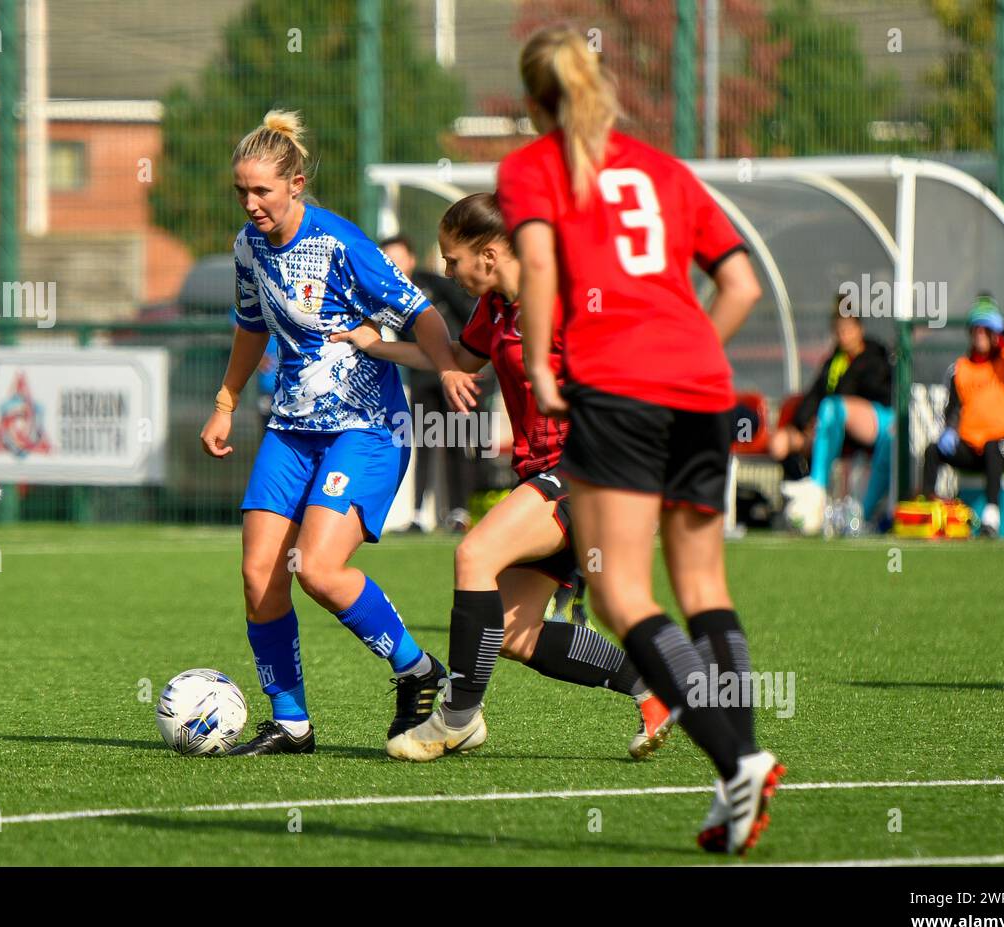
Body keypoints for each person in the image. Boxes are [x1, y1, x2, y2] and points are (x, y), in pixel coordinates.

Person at [504, 26, 782, 855]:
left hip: (617, 386)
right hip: (702, 385)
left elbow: (543, 269)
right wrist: (690, 352)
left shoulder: (532, 168)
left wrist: (547, 370)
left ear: (532, 102)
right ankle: (736, 778)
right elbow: (741, 284)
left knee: (622, 591)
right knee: (701, 582)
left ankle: (738, 760)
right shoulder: (663, 169)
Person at [333, 193, 676, 762]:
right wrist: (377, 346)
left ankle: (459, 715)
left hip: (588, 474)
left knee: (475, 555)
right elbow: (458, 361)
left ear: (489, 256)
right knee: (517, 635)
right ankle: (653, 685)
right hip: (546, 478)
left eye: (452, 259)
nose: (445, 271)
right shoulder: (494, 309)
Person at [199, 110, 479, 755]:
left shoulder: (340, 242)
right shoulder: (248, 246)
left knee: (320, 571)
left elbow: (421, 311)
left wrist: (447, 369)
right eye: (241, 191)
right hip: (291, 430)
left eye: (262, 191)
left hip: (366, 428)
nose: (250, 203)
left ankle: (419, 671)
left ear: (296, 183)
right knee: (258, 574)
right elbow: (251, 325)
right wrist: (226, 399)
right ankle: (292, 722)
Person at [379, 234, 479, 532]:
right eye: (387, 260)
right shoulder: (386, 293)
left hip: (461, 373)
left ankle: (459, 513)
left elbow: (469, 315)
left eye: (398, 258)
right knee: (424, 441)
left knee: (459, 441)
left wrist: (471, 359)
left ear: (411, 259)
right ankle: (420, 515)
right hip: (424, 375)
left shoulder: (436, 284)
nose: (393, 265)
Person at [919, 295, 1004, 537]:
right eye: (977, 330)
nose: (981, 336)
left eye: (986, 330)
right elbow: (952, 410)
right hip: (975, 447)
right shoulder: (961, 368)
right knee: (933, 450)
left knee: (993, 446)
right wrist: (950, 431)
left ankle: (991, 518)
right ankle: (928, 509)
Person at [777, 295, 893, 533]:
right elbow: (814, 394)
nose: (844, 336)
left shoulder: (874, 356)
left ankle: (819, 488)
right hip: (837, 429)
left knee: (832, 408)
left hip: (875, 420)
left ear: (859, 329)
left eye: (848, 330)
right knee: (779, 442)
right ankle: (797, 501)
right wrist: (801, 425)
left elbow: (870, 390)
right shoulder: (834, 361)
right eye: (839, 331)